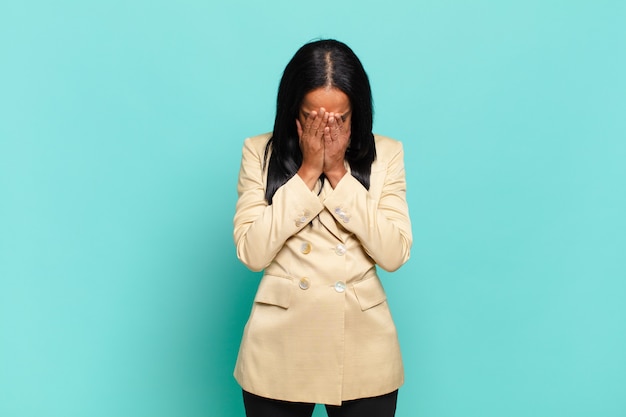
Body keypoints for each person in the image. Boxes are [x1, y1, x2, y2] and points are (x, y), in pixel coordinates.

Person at [233, 39, 412, 417]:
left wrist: (336, 172)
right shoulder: (259, 151)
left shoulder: (387, 154)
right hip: (279, 346)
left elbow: (395, 253)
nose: (327, 130)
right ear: (293, 112)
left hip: (363, 347)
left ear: (357, 113)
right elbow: (251, 252)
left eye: (340, 120)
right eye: (314, 119)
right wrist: (308, 171)